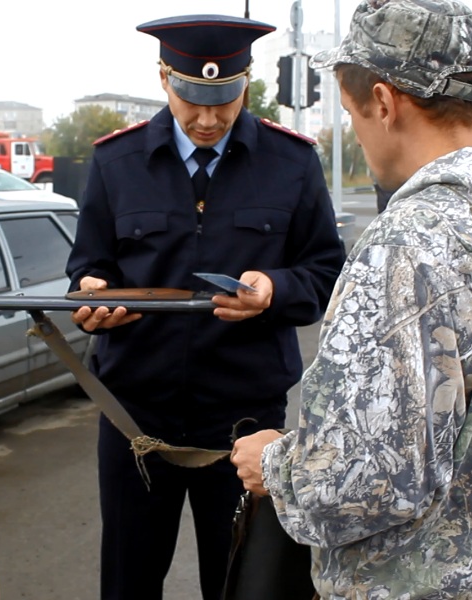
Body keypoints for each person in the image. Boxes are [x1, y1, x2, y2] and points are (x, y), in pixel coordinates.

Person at [230, 1, 472, 599]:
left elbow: (372, 477)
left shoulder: (406, 244)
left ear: (383, 102)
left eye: (353, 114)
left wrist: (276, 466)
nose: (357, 133)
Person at [64, 14, 347, 600]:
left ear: (247, 82)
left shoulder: (291, 163)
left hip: (244, 420)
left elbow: (324, 273)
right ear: (164, 78)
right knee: (128, 580)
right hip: (133, 419)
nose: (208, 118)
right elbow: (87, 267)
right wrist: (93, 295)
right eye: (191, 98)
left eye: (225, 99)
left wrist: (274, 291)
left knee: (245, 582)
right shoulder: (116, 164)